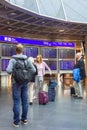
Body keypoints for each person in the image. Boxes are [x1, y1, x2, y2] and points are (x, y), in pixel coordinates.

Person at [6, 44, 36, 127]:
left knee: (17, 102)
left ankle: (16, 122)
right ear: (22, 51)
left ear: (16, 51)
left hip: (16, 83)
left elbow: (8, 71)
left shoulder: (13, 60)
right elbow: (33, 70)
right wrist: (27, 76)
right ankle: (24, 119)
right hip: (25, 83)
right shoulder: (27, 59)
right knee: (25, 101)